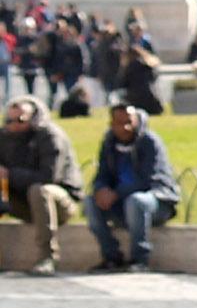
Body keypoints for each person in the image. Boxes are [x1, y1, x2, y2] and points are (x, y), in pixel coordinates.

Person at [85, 101, 178, 271]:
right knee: (90, 202)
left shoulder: (149, 142)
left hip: (155, 201)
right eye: (119, 123)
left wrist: (116, 193)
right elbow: (102, 173)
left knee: (136, 201)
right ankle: (111, 256)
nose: (125, 128)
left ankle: (140, 259)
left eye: (129, 122)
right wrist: (101, 189)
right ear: (112, 124)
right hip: (120, 202)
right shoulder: (109, 143)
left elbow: (150, 179)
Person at [1, 94, 84, 269]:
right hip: (22, 201)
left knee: (40, 190)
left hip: (59, 202)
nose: (14, 125)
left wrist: (10, 174)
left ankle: (47, 257)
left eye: (20, 120)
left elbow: (49, 176)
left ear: (34, 118)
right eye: (9, 120)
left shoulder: (50, 136)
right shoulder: (4, 137)